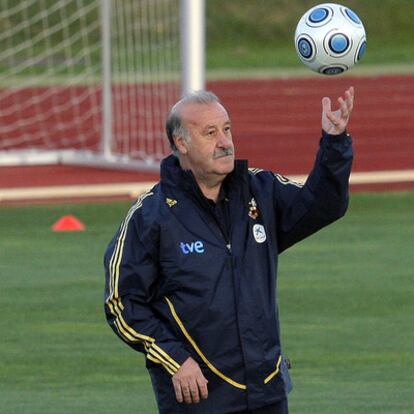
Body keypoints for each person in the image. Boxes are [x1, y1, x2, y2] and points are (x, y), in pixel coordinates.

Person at [104, 87, 354, 413]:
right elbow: (122, 303)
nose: (225, 142)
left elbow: (322, 206)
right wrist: (174, 358)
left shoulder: (260, 190)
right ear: (181, 143)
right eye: (210, 133)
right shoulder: (151, 217)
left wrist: (334, 143)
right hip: (199, 397)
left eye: (227, 129)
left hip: (266, 391)